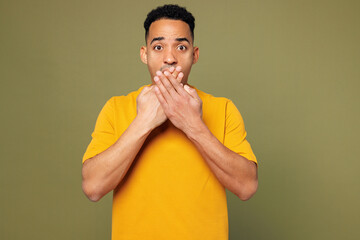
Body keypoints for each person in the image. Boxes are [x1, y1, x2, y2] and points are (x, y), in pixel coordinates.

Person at [82, 4, 258, 240]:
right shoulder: (116, 108)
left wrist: (192, 124)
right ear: (145, 54)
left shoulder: (223, 108)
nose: (169, 58)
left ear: (194, 55)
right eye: (158, 47)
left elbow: (247, 187)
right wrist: (143, 122)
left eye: (181, 47)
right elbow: (93, 187)